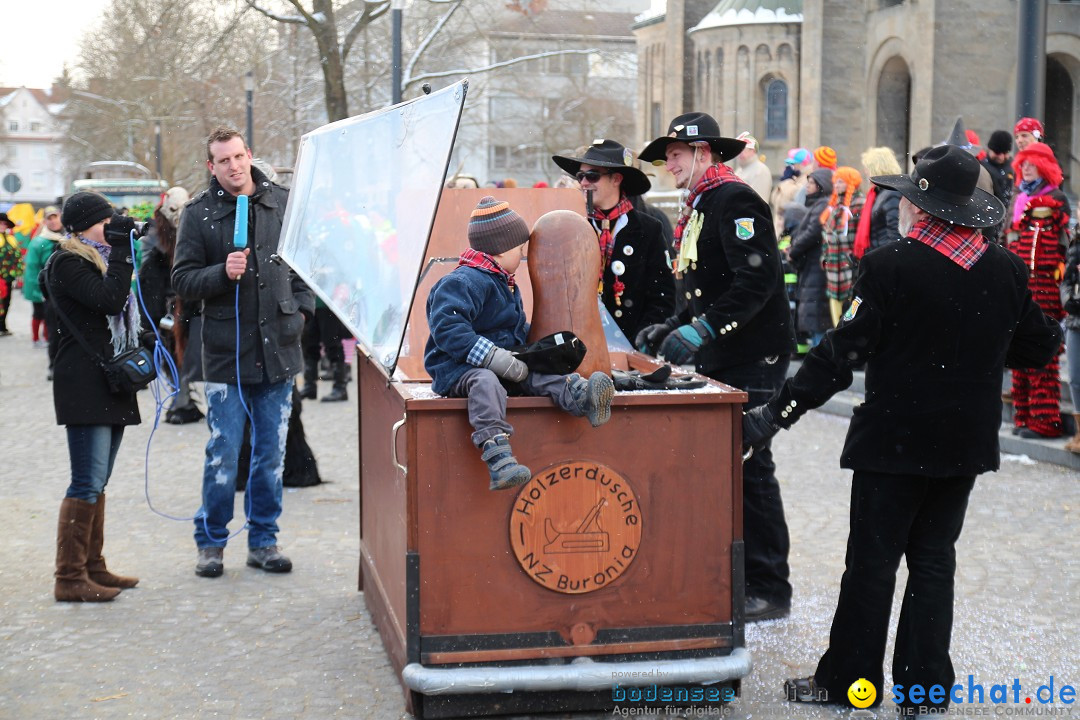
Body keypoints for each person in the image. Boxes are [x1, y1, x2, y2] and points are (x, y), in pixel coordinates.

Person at [741, 145, 1062, 714]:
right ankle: (924, 690)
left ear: (924, 209)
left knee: (872, 563)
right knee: (934, 561)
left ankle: (850, 686)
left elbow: (840, 354)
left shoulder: (892, 266)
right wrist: (980, 351)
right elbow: (1040, 345)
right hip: (964, 442)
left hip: (894, 441)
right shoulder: (1005, 268)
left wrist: (776, 415)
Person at [636, 112, 796, 622]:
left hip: (754, 352)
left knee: (751, 464)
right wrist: (673, 324)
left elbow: (757, 281)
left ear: (705, 152)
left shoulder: (736, 198)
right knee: (733, 464)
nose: (669, 165)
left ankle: (770, 586)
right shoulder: (704, 202)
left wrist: (705, 330)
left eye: (676, 155)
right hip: (730, 350)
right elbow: (705, 285)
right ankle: (743, 574)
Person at [173, 127, 315, 578]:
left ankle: (264, 540)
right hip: (225, 353)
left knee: (270, 453)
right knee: (224, 450)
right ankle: (211, 542)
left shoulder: (283, 202)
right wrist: (220, 272)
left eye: (238, 156)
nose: (233, 166)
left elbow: (306, 265)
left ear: (249, 155)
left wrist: (301, 313)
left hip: (278, 348)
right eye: (223, 160)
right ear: (210, 166)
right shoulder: (199, 213)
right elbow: (183, 280)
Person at [424, 196, 615, 490]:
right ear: (501, 249)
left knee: (537, 373)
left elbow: (510, 329)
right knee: (486, 382)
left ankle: (580, 397)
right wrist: (493, 358)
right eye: (520, 249)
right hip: (458, 368)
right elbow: (447, 328)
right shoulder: (464, 282)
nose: (523, 256)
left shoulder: (502, 282)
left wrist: (540, 348)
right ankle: (497, 453)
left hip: (504, 360)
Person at [46, 192, 144, 602]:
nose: (113, 225)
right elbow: (109, 299)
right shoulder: (68, 262)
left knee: (99, 479)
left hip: (107, 379)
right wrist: (122, 251)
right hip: (83, 381)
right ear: (84, 226)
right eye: (105, 220)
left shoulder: (98, 258)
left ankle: (93, 567)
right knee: (85, 480)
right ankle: (69, 577)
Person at [551, 139, 675, 340]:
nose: (583, 183)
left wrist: (641, 340)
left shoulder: (648, 228)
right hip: (579, 345)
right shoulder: (571, 225)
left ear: (616, 179)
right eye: (580, 176)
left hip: (630, 346)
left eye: (592, 176)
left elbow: (662, 297)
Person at [1007, 142, 1071, 439]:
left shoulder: (1056, 199)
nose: (1027, 168)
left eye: (1032, 164)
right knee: (1020, 351)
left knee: (1043, 355)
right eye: (1024, 164)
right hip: (1023, 288)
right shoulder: (1021, 197)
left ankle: (1044, 420)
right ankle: (1023, 416)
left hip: (1046, 287)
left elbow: (1065, 246)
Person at [139, 186, 205, 423]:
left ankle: (185, 401)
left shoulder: (190, 227)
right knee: (174, 355)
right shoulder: (156, 236)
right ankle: (182, 402)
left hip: (187, 302)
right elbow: (149, 274)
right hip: (168, 304)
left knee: (188, 356)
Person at [787, 169, 834, 348]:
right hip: (812, 266)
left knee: (817, 319)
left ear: (821, 186)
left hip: (816, 267)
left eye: (812, 183)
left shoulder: (823, 204)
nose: (807, 186)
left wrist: (794, 249)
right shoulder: (819, 203)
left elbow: (812, 231)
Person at [820, 167, 865, 326]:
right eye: (835, 182)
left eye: (841, 181)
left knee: (850, 313)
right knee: (835, 315)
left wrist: (854, 261)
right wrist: (824, 258)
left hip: (849, 267)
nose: (836, 185)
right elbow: (827, 235)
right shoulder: (835, 205)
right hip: (833, 267)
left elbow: (860, 236)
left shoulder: (860, 204)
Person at [23, 206, 63, 352]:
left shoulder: (67, 238)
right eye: (49, 218)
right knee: (40, 314)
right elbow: (32, 268)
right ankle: (38, 339)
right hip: (42, 288)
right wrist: (38, 291)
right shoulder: (38, 242)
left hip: (58, 289)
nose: (53, 221)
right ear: (45, 221)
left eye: (55, 217)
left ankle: (48, 338)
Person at [852, 146, 902, 262]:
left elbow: (895, 233)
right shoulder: (878, 193)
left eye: (868, 168)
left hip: (883, 258)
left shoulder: (891, 193)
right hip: (877, 256)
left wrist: (888, 261)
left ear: (877, 168)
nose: (865, 172)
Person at [1062, 226, 1080, 454]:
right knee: (1075, 377)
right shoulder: (1076, 243)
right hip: (1076, 318)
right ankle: (1079, 432)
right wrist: (1068, 300)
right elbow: (1067, 280)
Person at [981, 130, 1015, 244]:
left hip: (1008, 223)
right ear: (989, 149)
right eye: (997, 152)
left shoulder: (1013, 167)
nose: (1001, 157)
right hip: (989, 222)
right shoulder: (982, 168)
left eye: (1005, 153)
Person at [770, 148, 810, 236]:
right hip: (780, 225)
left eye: (793, 164)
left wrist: (787, 180)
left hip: (790, 229)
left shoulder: (807, 180)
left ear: (803, 164)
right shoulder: (794, 178)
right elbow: (774, 200)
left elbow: (791, 196)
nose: (790, 167)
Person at [732, 131, 773, 201]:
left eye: (743, 149)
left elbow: (759, 201)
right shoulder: (738, 171)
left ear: (753, 151)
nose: (739, 153)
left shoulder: (761, 170)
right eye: (738, 150)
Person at [0, 212, 21, 337]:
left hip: (8, 277)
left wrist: (19, 273)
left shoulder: (11, 239)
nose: (2, 225)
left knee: (6, 302)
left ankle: (3, 326)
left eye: (4, 223)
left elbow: (17, 257)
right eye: (0, 223)